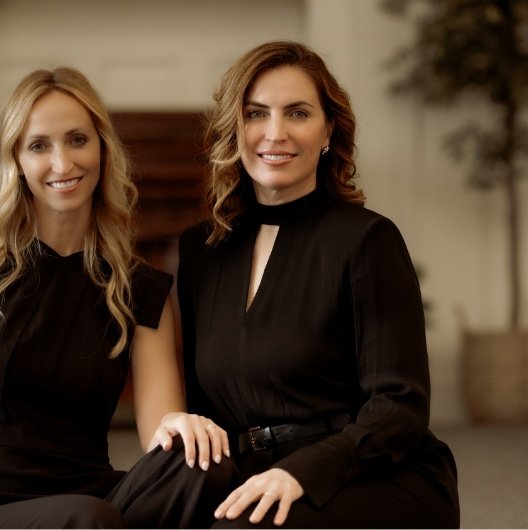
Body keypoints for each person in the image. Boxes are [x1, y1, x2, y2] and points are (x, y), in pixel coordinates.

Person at [0, 67, 234, 529]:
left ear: (102, 148)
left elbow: (160, 426)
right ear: (16, 159)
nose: (63, 163)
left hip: (90, 500)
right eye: (40, 145)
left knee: (206, 467)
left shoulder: (138, 287)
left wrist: (184, 427)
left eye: (77, 140)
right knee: (87, 517)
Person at [176, 40, 461, 528]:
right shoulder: (202, 251)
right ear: (234, 128)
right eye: (256, 113)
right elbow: (203, 409)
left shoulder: (367, 239)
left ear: (328, 129)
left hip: (369, 471)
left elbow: (400, 406)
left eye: (298, 113)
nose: (275, 132)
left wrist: (302, 472)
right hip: (253, 474)